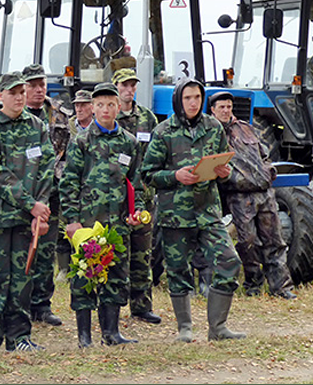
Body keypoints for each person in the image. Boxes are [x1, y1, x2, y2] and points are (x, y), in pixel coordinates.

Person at [140, 78, 246, 343]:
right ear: (178, 100)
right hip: (175, 214)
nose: (193, 103)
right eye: (187, 98)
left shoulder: (214, 128)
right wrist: (175, 175)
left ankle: (218, 327)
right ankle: (185, 328)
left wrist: (224, 172)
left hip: (207, 212)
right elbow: (148, 174)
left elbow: (225, 164)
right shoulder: (164, 131)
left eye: (197, 97)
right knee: (178, 271)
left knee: (229, 260)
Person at [0, 72, 55, 354]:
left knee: (22, 279)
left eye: (22, 92)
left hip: (25, 218)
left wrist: (40, 210)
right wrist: (31, 204)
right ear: (0, 96)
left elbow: (46, 168)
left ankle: (20, 337)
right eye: (13, 93)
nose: (19, 97)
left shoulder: (38, 126)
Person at [60, 82, 143, 348]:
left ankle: (111, 332)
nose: (105, 110)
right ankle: (84, 336)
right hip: (87, 223)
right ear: (92, 108)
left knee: (116, 275)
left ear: (119, 107)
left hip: (117, 224)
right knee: (84, 276)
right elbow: (69, 181)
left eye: (110, 104)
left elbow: (136, 183)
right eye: (100, 105)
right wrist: (71, 220)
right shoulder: (82, 141)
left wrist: (136, 211)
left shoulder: (129, 143)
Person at [208, 92, 297, 300]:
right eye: (221, 107)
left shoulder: (245, 128)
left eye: (228, 106)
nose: (225, 110)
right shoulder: (212, 133)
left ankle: (281, 287)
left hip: (264, 192)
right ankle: (253, 284)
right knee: (248, 242)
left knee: (274, 240)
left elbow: (263, 153)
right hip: (239, 195)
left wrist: (268, 171)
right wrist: (229, 178)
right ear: (213, 110)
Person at [22, 63, 71, 326]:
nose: (38, 90)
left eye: (41, 85)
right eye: (32, 85)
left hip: (52, 191)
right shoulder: (16, 114)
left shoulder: (58, 114)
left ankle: (42, 305)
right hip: (24, 195)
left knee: (46, 249)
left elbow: (68, 150)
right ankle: (21, 307)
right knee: (23, 250)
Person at [111, 68, 161, 324]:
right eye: (125, 85)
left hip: (143, 193)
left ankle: (141, 306)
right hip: (116, 196)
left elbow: (154, 153)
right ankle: (112, 307)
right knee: (115, 253)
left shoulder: (148, 118)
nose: (129, 89)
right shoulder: (111, 117)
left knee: (143, 252)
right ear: (116, 87)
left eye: (133, 85)